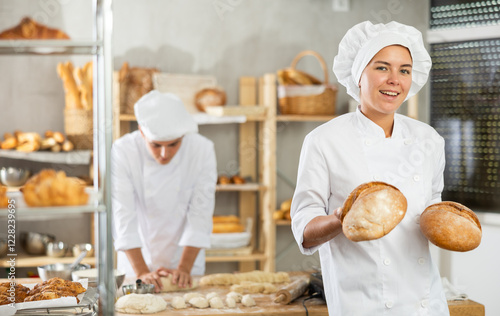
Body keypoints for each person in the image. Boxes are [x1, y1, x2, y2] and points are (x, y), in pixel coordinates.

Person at [290, 21, 449, 315]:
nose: (394, 79)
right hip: (361, 303)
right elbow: (304, 228)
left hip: (426, 303)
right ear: (359, 74)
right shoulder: (324, 141)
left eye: (404, 70)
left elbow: (432, 209)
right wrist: (341, 219)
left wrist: (446, 225)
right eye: (381, 67)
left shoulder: (429, 140)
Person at [111, 90, 217, 291]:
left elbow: (200, 212)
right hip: (136, 259)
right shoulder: (123, 151)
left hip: (186, 261)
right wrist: (142, 271)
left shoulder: (202, 150)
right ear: (142, 133)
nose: (164, 153)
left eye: (173, 144)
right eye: (156, 145)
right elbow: (122, 215)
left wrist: (184, 267)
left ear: (183, 135)